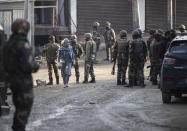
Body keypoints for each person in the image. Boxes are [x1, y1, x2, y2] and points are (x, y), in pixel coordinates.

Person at [3, 19, 39, 131]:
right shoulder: (23, 44)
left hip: (11, 80)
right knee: (23, 108)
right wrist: (36, 66)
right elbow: (28, 66)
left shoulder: (7, 44)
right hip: (23, 81)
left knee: (18, 105)